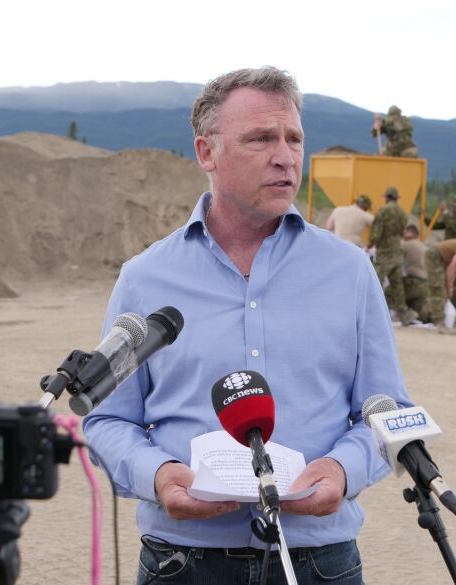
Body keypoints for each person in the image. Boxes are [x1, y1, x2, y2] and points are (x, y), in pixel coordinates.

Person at [82, 67, 410, 585]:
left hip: (320, 563)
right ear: (206, 153)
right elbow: (106, 421)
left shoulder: (350, 272)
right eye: (261, 138)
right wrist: (160, 476)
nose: (285, 156)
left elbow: (390, 411)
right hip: (184, 564)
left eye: (294, 138)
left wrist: (345, 471)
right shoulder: (145, 279)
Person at [369, 186, 417, 325]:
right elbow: (403, 231)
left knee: (375, 281)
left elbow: (376, 232)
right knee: (397, 285)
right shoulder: (402, 213)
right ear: (397, 198)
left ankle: (372, 313)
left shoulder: (383, 211)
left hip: (385, 253)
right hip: (397, 252)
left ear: (386, 197)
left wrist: (370, 244)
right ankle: (404, 315)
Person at [424, 195, 456, 313]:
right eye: (453, 207)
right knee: (443, 280)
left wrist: (445, 212)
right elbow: (437, 226)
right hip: (447, 254)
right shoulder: (450, 218)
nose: (454, 210)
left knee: (453, 282)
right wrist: (425, 218)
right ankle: (447, 307)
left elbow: (455, 227)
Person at [400, 224, 428, 319]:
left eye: (404, 232)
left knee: (389, 292)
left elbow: (391, 253)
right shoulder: (422, 245)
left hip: (415, 282)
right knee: (419, 312)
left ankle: (402, 315)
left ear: (410, 233)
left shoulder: (406, 244)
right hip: (426, 284)